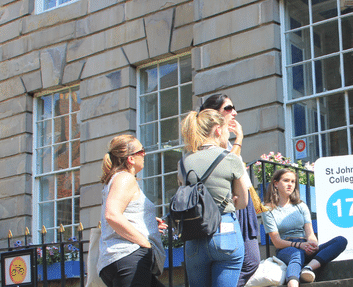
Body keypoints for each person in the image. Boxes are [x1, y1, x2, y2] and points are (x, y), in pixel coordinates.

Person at [179, 109, 251, 287]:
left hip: (195, 235)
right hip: (226, 231)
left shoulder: (183, 162)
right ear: (218, 130)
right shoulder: (231, 159)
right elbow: (243, 202)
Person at [199, 94, 260, 287]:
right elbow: (226, 165)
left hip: (240, 203)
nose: (234, 112)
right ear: (214, 113)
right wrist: (239, 139)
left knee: (249, 262)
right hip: (227, 206)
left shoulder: (224, 141)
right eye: (228, 108)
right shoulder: (209, 142)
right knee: (246, 262)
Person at [97, 135, 167, 287]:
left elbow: (121, 212)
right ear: (130, 159)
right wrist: (144, 242)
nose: (145, 154)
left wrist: (147, 224)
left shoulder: (117, 179)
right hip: (129, 256)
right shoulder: (125, 178)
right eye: (141, 151)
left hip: (123, 259)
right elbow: (112, 214)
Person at [261, 169, 347, 287]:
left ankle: (308, 268)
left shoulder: (301, 206)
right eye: (286, 180)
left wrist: (312, 244)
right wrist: (300, 246)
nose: (290, 184)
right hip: (286, 248)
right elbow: (277, 242)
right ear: (276, 183)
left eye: (293, 181)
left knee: (340, 240)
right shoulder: (268, 209)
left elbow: (310, 233)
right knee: (296, 254)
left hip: (305, 246)